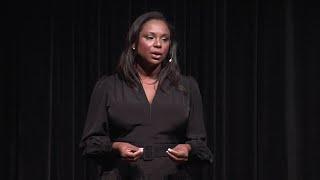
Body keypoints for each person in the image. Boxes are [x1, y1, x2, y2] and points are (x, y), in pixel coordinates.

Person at [80, 11, 213, 180]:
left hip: (172, 174)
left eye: (165, 39)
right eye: (150, 37)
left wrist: (188, 149)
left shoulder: (187, 87)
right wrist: (116, 146)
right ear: (134, 43)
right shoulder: (108, 86)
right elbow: (90, 143)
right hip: (123, 174)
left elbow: (199, 142)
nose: (158, 44)